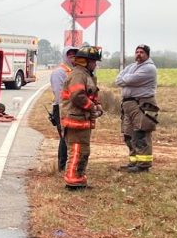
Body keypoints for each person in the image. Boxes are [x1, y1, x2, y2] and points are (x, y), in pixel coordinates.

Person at [60, 45, 104, 190]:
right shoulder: (78, 75)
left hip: (81, 120)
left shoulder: (86, 75)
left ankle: (78, 180)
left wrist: (97, 104)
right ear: (86, 61)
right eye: (94, 61)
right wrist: (92, 107)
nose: (95, 64)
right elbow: (77, 96)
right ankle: (73, 182)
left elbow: (90, 93)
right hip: (75, 121)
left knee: (82, 151)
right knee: (78, 151)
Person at [114, 44, 158, 173]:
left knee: (141, 134)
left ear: (147, 55)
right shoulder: (132, 66)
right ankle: (133, 162)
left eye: (142, 52)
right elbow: (118, 80)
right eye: (137, 52)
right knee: (128, 134)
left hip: (142, 104)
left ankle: (143, 165)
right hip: (129, 105)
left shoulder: (149, 68)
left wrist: (126, 79)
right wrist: (125, 79)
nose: (138, 54)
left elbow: (129, 80)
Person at [49, 46, 78, 171]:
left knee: (71, 136)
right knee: (64, 136)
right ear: (65, 56)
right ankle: (62, 166)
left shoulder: (75, 71)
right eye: (70, 55)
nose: (73, 58)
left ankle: (70, 164)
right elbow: (58, 93)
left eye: (75, 55)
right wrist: (64, 110)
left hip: (73, 107)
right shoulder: (59, 72)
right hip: (62, 107)